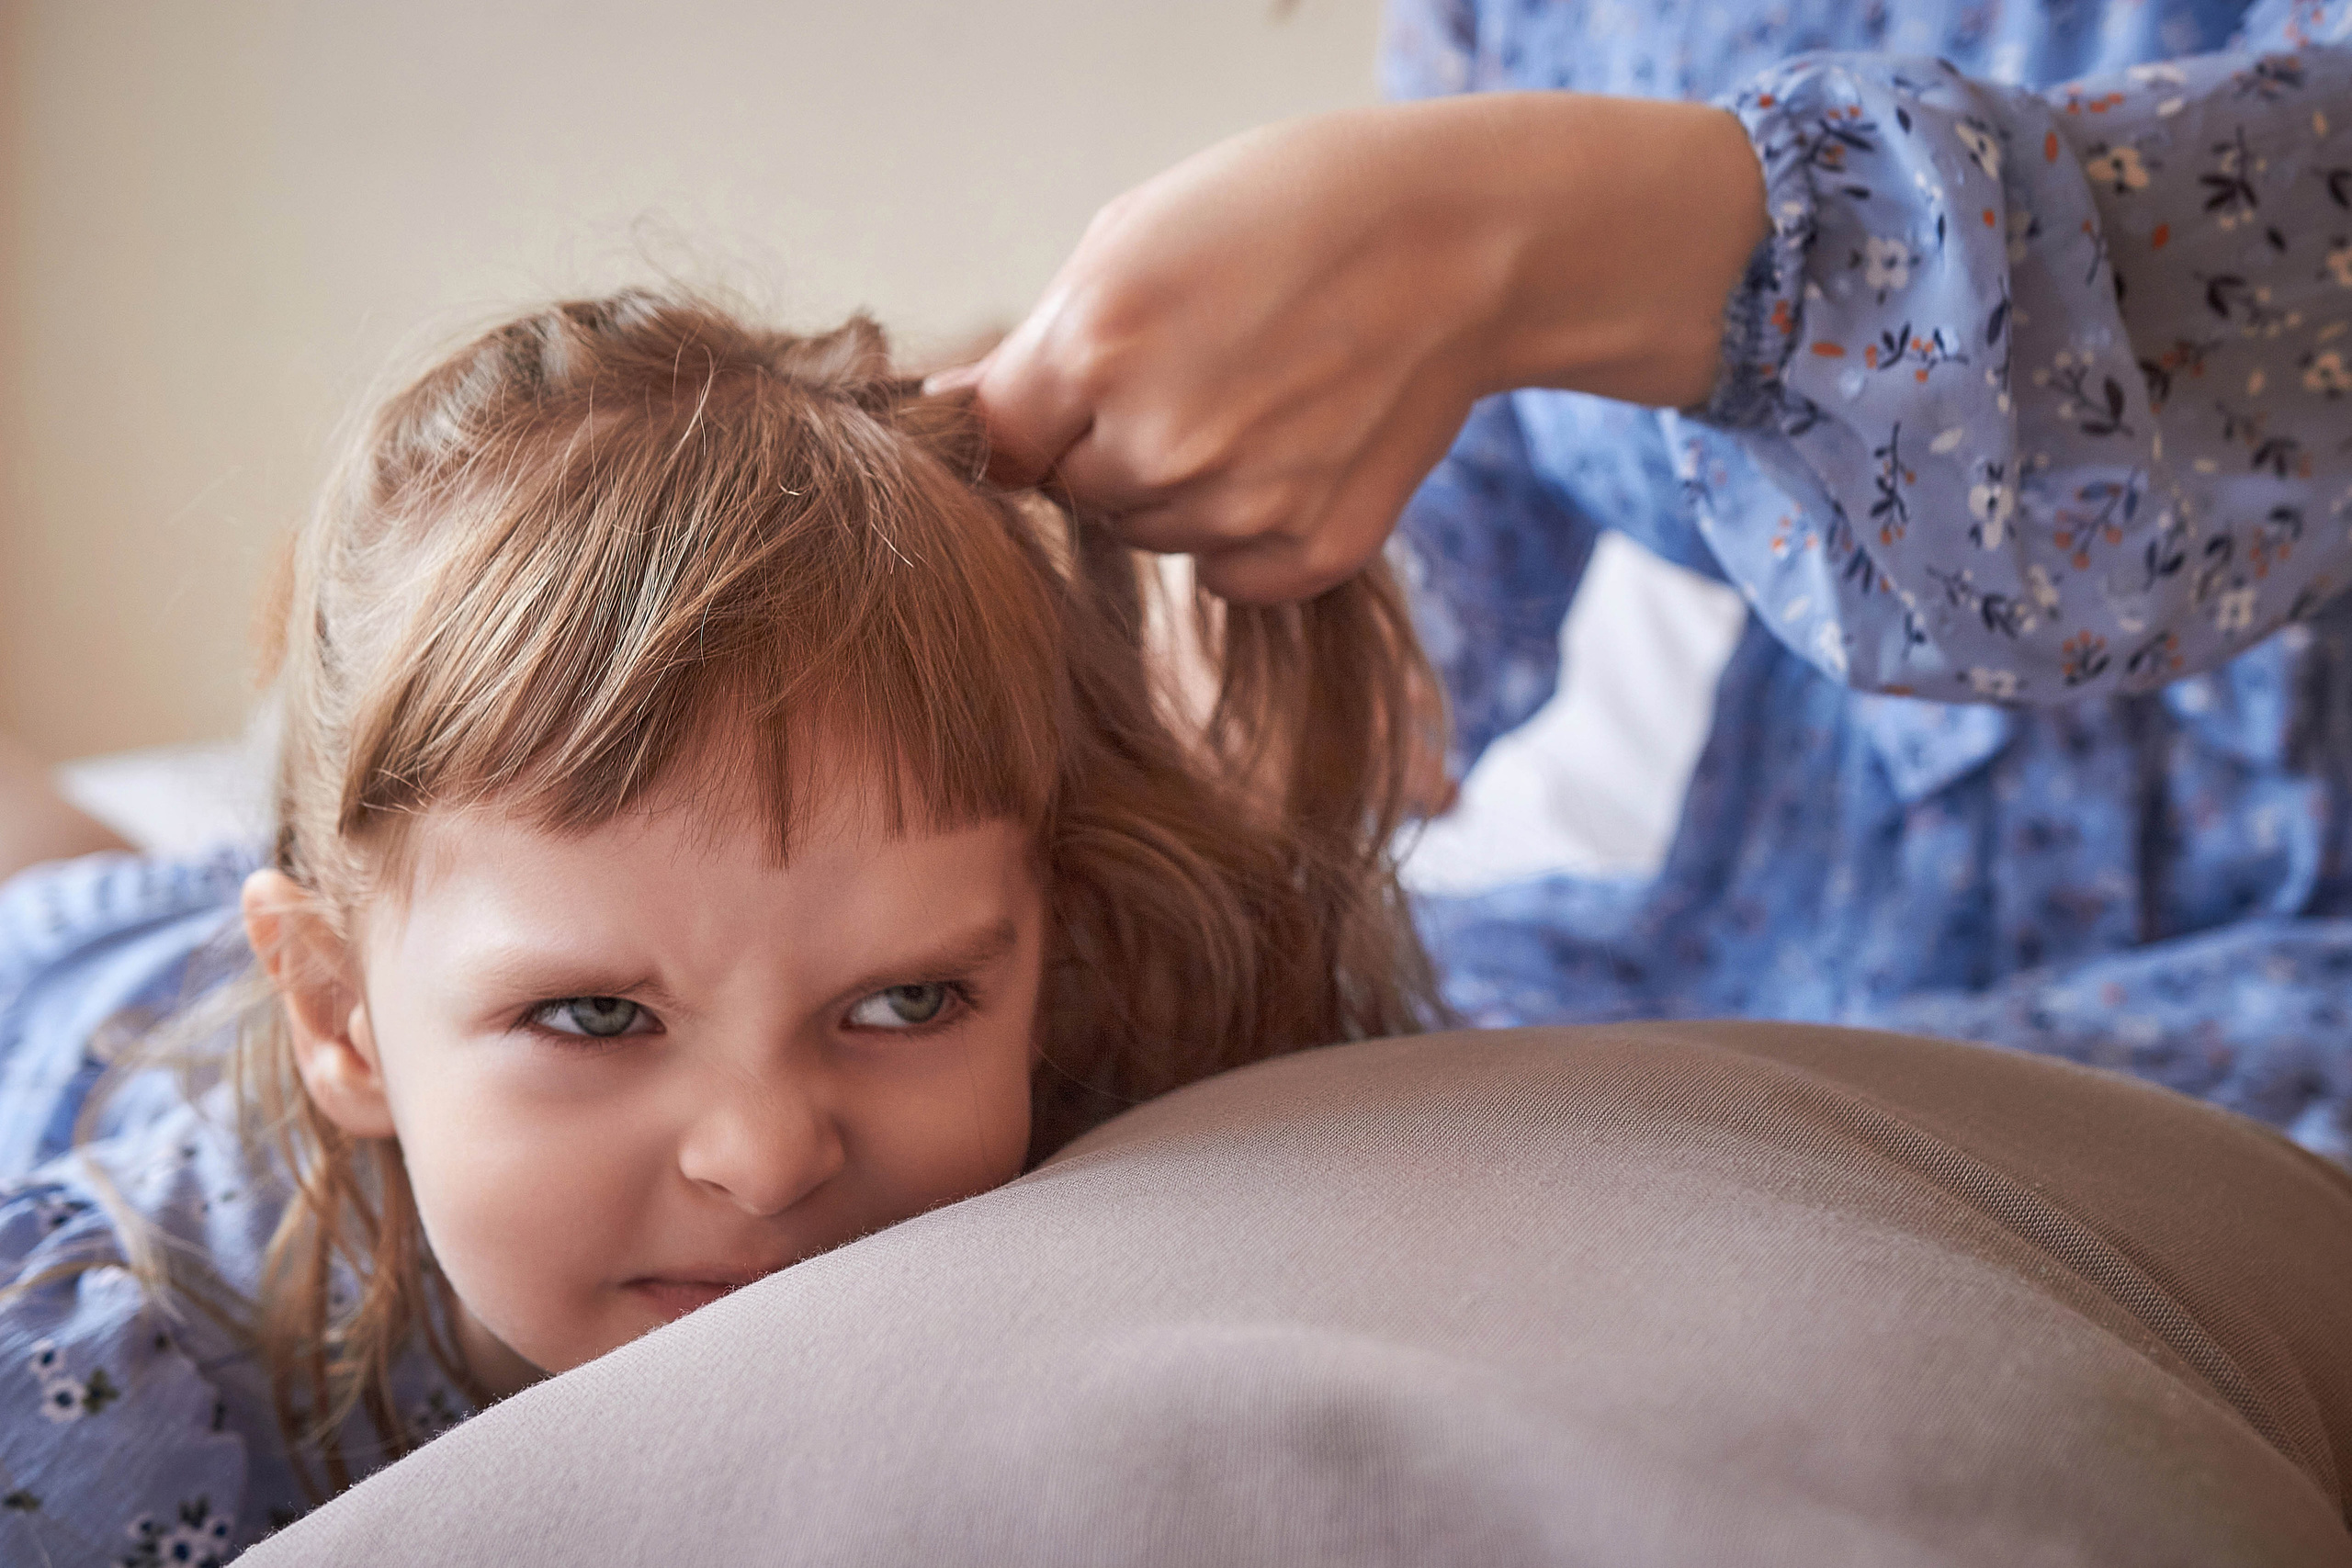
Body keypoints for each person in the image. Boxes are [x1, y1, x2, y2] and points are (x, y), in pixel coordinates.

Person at [0, 291, 1442, 1562]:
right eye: (595, 1017)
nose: (765, 1162)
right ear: (340, 1023)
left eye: (906, 1003)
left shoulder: (1122, 1104)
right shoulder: (105, 1388)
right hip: (83, 1017)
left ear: (1040, 953)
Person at [939, 0, 2352, 1159]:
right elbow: (1441, 571)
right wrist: (1168, 747)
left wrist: (1561, 238)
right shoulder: (1504, 23)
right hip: (1789, 934)